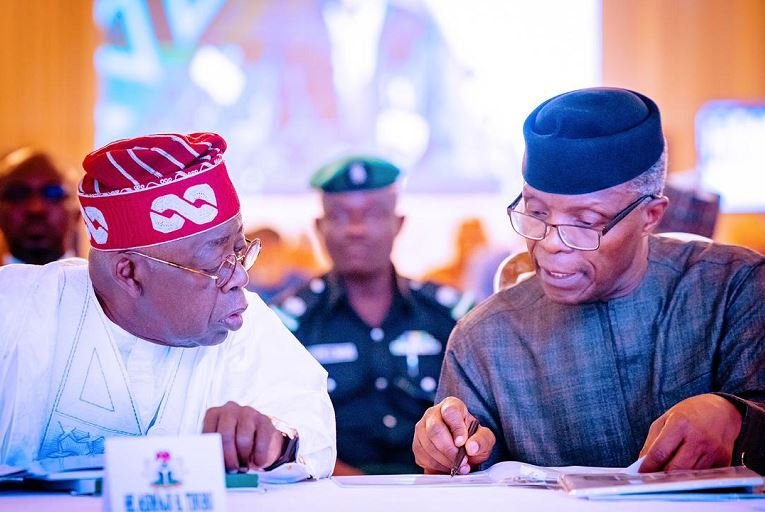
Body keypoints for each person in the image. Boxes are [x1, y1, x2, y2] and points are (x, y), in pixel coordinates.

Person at [413, 87, 765, 476]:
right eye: (536, 212)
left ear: (651, 215)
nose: (550, 243)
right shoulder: (484, 338)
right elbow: (462, 470)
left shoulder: (734, 291)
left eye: (585, 222)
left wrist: (735, 417)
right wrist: (454, 451)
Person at [0, 133, 336, 480]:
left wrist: (273, 443)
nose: (239, 278)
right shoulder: (17, 310)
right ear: (129, 273)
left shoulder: (245, 323)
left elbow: (310, 431)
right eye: (214, 264)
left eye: (239, 251)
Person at [271, 156, 472, 475]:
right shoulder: (286, 325)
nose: (356, 229)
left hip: (435, 491)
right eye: (339, 216)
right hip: (328, 494)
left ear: (399, 223)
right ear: (319, 228)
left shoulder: (453, 316)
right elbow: (277, 433)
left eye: (374, 214)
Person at [0, 148, 81, 265]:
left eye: (53, 193)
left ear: (78, 214)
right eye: (18, 194)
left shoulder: (104, 283)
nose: (36, 208)